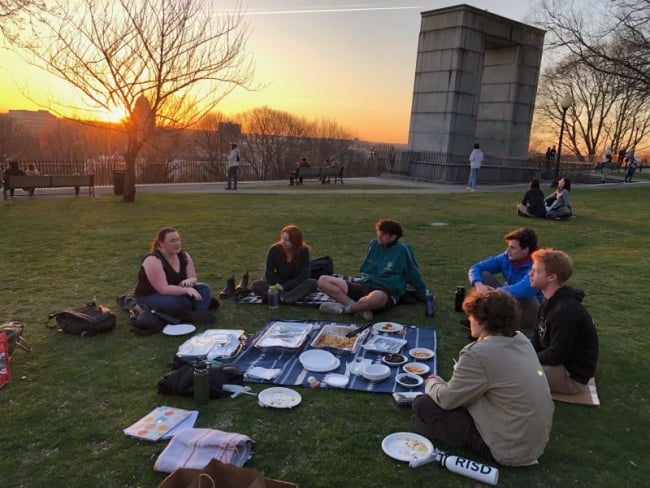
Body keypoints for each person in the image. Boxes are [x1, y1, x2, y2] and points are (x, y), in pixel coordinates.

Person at [412, 290, 554, 466]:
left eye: (471, 315)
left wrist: (432, 382)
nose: (469, 319)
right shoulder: (521, 340)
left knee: (423, 404)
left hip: (508, 449)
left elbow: (446, 400)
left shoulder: (478, 354)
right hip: (533, 443)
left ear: (482, 320)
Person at [317, 218, 427, 321]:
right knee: (323, 280)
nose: (379, 236)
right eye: (379, 232)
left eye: (383, 234)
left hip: (385, 290)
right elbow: (367, 269)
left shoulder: (402, 250)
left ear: (393, 237)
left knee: (377, 298)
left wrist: (422, 294)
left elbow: (413, 273)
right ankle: (360, 308)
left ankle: (346, 309)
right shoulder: (374, 244)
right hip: (366, 284)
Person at [529, 249, 599, 395]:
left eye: (536, 271)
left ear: (552, 277)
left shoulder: (565, 311)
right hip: (556, 366)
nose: (530, 274)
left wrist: (525, 358)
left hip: (570, 377)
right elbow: (537, 338)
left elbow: (556, 355)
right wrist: (523, 352)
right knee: (512, 360)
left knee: (513, 373)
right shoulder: (548, 303)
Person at [467, 227, 541, 328]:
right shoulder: (507, 257)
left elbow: (524, 290)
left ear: (525, 250)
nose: (508, 250)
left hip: (530, 311)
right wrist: (479, 284)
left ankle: (490, 318)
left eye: (513, 248)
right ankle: (486, 317)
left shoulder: (539, 264)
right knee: (483, 275)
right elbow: (476, 267)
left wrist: (493, 292)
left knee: (527, 296)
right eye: (508, 247)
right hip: (511, 301)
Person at [134, 227, 212, 317]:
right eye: (172, 241)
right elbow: (162, 289)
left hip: (176, 292)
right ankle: (193, 309)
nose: (177, 243)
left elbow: (193, 278)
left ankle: (199, 313)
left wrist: (189, 281)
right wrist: (186, 290)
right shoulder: (153, 260)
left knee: (204, 288)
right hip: (150, 295)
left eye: (178, 240)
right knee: (177, 302)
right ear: (161, 243)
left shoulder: (184, 255)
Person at [250, 225, 318, 304]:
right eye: (283, 239)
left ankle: (280, 297)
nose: (283, 242)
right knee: (256, 285)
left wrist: (285, 287)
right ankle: (287, 297)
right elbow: (269, 273)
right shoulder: (274, 249)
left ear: (295, 242)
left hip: (295, 284)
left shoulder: (303, 251)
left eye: (286, 240)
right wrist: (276, 284)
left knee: (312, 283)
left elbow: (304, 275)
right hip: (278, 282)